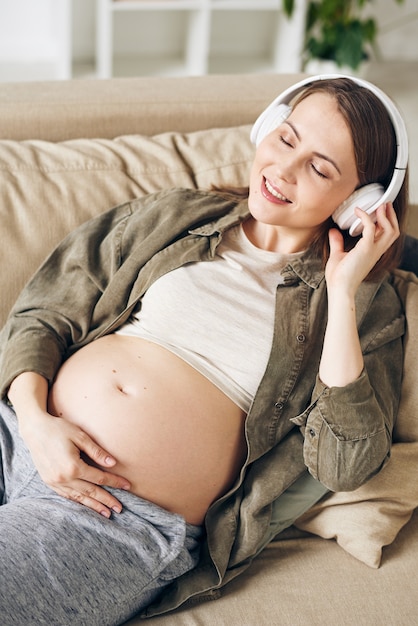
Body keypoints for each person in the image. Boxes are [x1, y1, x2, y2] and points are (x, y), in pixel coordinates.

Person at [0, 75, 410, 625]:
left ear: (360, 202)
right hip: (18, 431)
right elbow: (45, 311)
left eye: (320, 168)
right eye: (286, 140)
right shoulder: (178, 215)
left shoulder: (367, 308)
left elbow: (345, 464)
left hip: (114, 515)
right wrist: (33, 421)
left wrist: (341, 292)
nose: (283, 170)